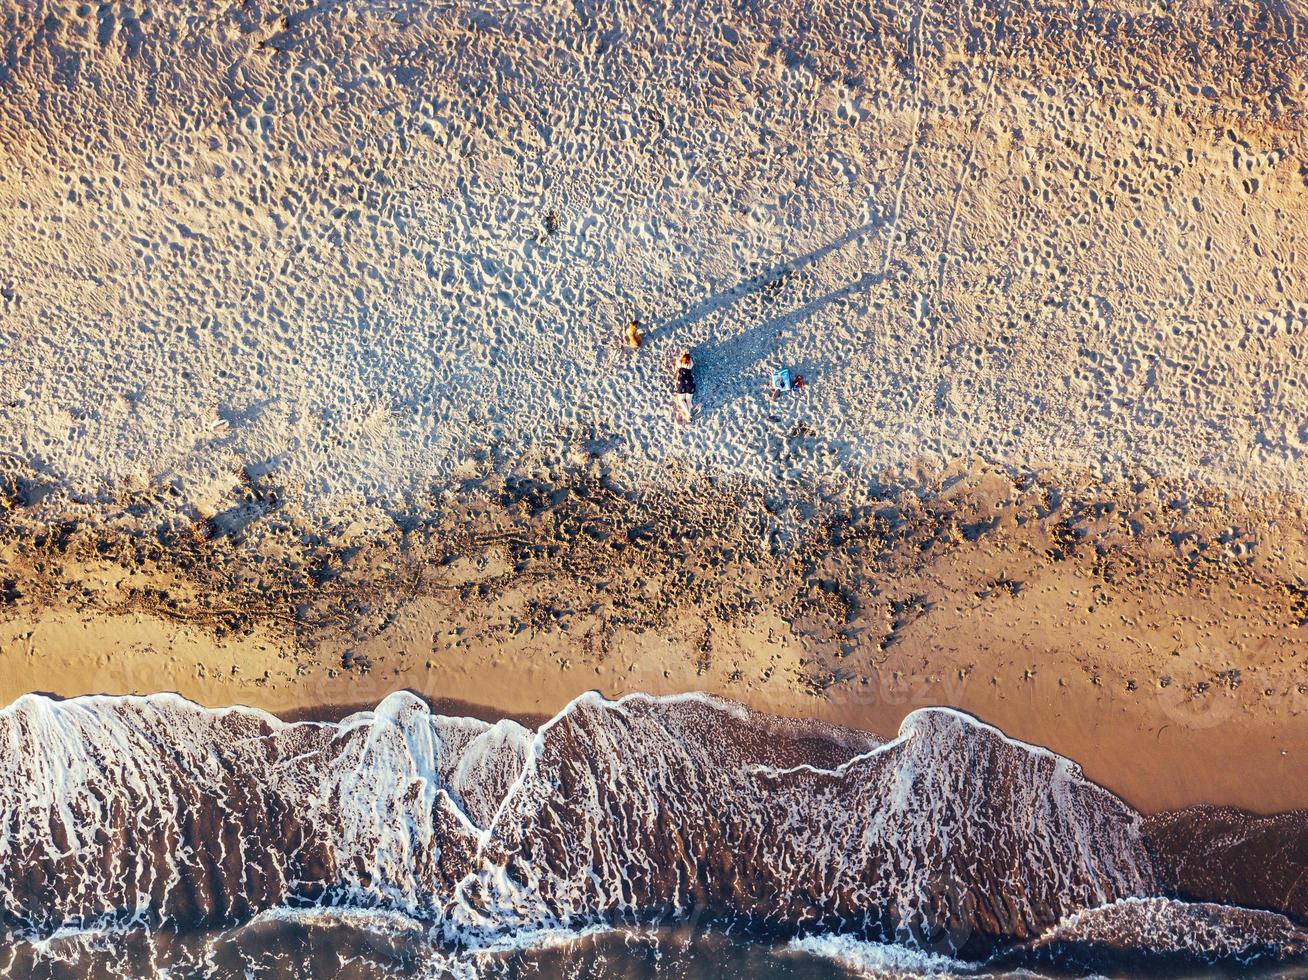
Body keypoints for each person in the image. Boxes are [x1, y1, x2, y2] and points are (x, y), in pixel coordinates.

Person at [673, 351, 695, 422]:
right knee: (688, 400)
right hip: (689, 384)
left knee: (681, 400)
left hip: (681, 383)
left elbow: (678, 360)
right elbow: (691, 360)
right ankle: (689, 415)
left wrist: (683, 354)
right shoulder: (690, 365)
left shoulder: (680, 364)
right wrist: (688, 355)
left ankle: (688, 414)